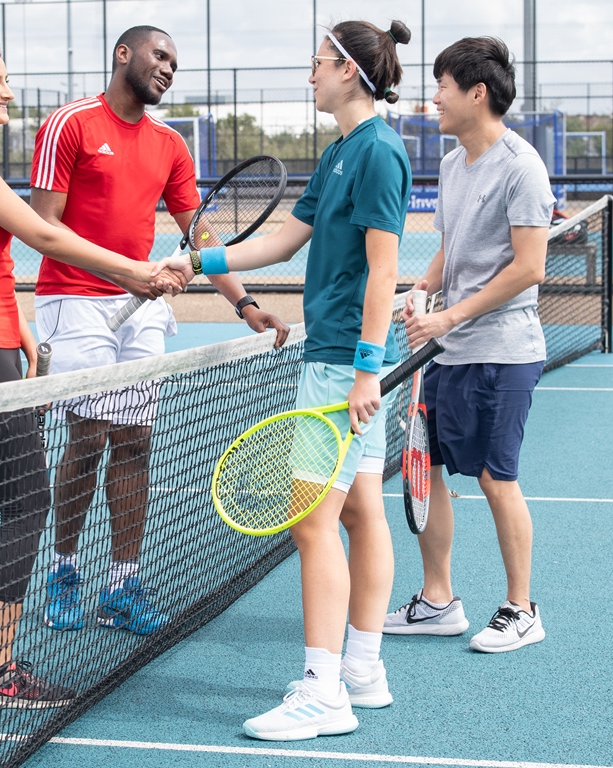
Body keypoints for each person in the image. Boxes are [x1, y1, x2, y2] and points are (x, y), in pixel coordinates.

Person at [0, 34, 181, 710]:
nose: (8, 92)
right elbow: (45, 235)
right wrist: (136, 271)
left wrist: (23, 334)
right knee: (28, 504)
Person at [164, 19, 412, 741]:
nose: (310, 75)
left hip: (343, 363)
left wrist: (365, 370)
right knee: (361, 513)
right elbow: (282, 241)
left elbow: (384, 270)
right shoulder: (341, 150)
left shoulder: (377, 152)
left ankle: (322, 691)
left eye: (317, 64)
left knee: (311, 525)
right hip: (342, 359)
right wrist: (198, 263)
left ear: (348, 71)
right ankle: (361, 669)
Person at [29, 25, 289, 637]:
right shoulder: (70, 124)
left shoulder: (171, 144)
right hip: (75, 302)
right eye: (160, 55)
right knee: (88, 438)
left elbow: (201, 234)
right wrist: (127, 272)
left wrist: (246, 303)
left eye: (176, 62)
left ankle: (122, 585)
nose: (169, 67)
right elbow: (43, 224)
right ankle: (64, 572)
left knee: (136, 442)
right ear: (124, 54)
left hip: (140, 305)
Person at [382, 37, 554, 653]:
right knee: (425, 469)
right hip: (448, 351)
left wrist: (449, 316)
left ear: (476, 93)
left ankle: (521, 608)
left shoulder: (522, 167)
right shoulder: (454, 164)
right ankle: (437, 601)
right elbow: (452, 247)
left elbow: (529, 267)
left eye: (442, 86)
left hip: (504, 353)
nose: (433, 98)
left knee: (494, 478)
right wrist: (421, 288)